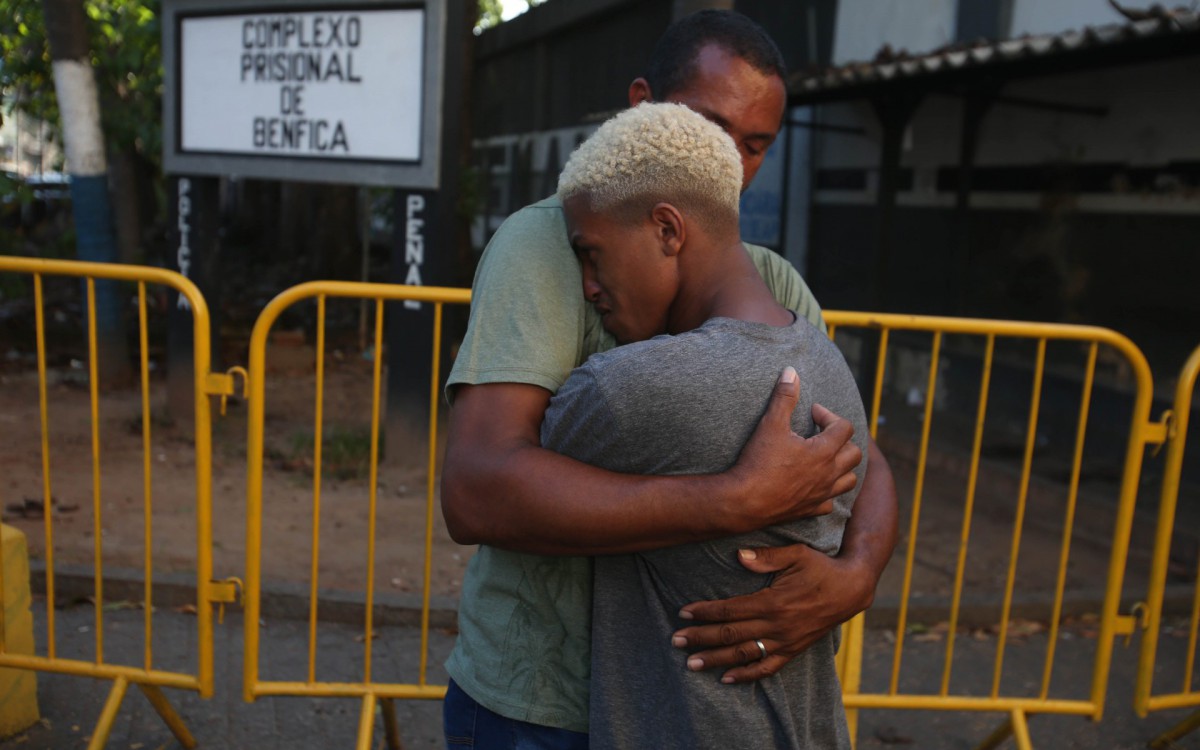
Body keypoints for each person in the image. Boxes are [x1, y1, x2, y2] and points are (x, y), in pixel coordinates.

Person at [440, 10, 897, 748]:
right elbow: (478, 487)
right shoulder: (550, 243)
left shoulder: (774, 281)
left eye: (755, 145)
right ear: (642, 106)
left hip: (694, 709)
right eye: (707, 126)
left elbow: (854, 451)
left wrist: (859, 573)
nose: (728, 161)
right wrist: (728, 501)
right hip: (545, 705)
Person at [543, 100, 864, 749]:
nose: (587, 286)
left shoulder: (625, 388)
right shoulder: (829, 369)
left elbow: (491, 486)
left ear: (667, 229)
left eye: (592, 254)